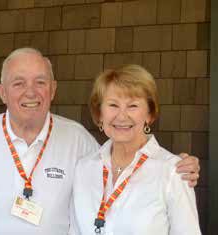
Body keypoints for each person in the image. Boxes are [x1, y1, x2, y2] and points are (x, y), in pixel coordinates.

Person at [0, 48, 200, 235]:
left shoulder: (79, 141)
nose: (30, 92)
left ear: (53, 90)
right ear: (2, 92)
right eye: (18, 83)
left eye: (40, 82)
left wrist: (181, 166)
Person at [70, 64, 201, 234]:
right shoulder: (84, 168)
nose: (122, 116)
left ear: (149, 114)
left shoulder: (172, 171)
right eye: (113, 105)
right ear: (99, 114)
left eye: (132, 106)